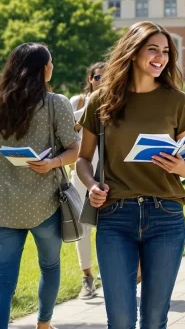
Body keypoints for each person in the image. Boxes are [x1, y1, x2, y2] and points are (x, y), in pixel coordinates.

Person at [76, 22, 185, 329]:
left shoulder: (179, 102)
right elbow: (82, 159)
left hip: (166, 215)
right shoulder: (101, 100)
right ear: (133, 53)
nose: (161, 57)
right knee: (119, 319)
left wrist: (179, 167)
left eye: (166, 52)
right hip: (116, 216)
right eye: (153, 50)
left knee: (154, 319)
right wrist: (91, 185)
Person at [0, 42, 80, 329]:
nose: (52, 67)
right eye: (50, 63)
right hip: (45, 204)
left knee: (3, 282)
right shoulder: (56, 103)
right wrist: (51, 164)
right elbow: (73, 151)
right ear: (43, 69)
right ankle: (44, 324)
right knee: (49, 267)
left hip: (5, 205)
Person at [70, 62, 106, 299]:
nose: (101, 81)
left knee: (109, 227)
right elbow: (67, 132)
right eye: (97, 77)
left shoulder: (119, 103)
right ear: (90, 79)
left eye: (106, 78)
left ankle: (111, 272)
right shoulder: (78, 102)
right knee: (82, 228)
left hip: (108, 174)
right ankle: (87, 277)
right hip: (82, 173)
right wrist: (86, 114)